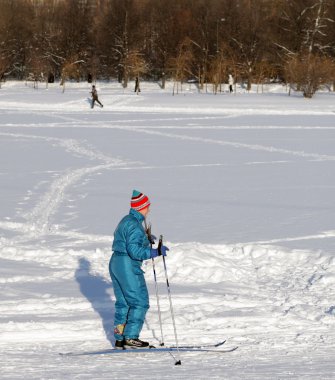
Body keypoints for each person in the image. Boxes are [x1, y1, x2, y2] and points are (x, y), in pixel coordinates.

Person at [109, 190, 169, 349]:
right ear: (141, 207)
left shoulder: (127, 220)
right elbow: (134, 251)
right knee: (140, 302)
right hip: (127, 265)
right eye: (147, 206)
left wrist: (145, 239)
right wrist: (155, 252)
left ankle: (119, 337)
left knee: (123, 303)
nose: (149, 209)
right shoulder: (135, 225)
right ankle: (131, 337)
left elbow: (127, 241)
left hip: (116, 262)